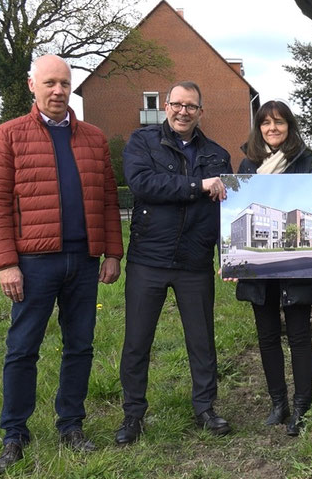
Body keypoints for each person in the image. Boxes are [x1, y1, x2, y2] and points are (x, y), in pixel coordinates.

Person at [0, 55, 123, 473]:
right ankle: (14, 434)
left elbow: (110, 200)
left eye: (64, 83)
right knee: (22, 349)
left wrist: (112, 252)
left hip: (83, 261)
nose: (57, 90)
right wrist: (7, 263)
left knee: (79, 347)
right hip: (33, 263)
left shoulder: (94, 138)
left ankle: (71, 425)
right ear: (32, 85)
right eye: (49, 83)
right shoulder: (8, 136)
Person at [116, 81, 233, 444]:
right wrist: (198, 186)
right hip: (148, 259)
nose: (183, 111)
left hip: (194, 261)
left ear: (201, 111)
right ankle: (133, 415)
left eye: (191, 106)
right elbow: (143, 184)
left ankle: (205, 408)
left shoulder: (217, 154)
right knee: (137, 341)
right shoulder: (142, 142)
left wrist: (229, 259)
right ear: (166, 106)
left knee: (201, 340)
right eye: (177, 104)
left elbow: (225, 211)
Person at [232, 100, 312, 437]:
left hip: (297, 264)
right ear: (259, 129)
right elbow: (236, 214)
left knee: (299, 336)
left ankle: (301, 405)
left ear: (290, 127)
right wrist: (232, 260)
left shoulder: (308, 163)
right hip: (260, 265)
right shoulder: (247, 164)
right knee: (267, 336)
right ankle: (278, 403)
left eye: (279, 123)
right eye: (266, 123)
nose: (272, 129)